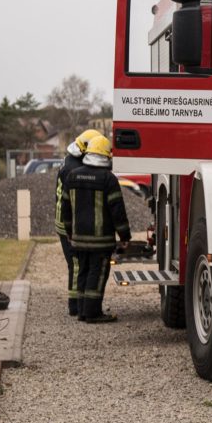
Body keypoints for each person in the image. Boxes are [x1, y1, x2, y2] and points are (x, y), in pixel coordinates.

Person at [60, 136, 130, 323]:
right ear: (106, 155)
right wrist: (125, 236)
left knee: (82, 272)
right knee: (97, 275)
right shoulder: (108, 179)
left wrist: (69, 232)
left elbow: (65, 208)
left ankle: (82, 311)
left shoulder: (72, 176)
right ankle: (92, 313)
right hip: (101, 240)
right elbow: (117, 210)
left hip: (78, 238)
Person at [55, 129, 102, 316]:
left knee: (76, 263)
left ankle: (77, 302)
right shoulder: (73, 169)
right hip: (68, 223)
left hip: (63, 220)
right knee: (75, 264)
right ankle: (74, 305)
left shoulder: (69, 161)